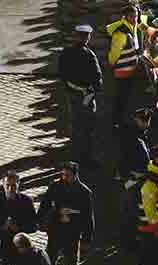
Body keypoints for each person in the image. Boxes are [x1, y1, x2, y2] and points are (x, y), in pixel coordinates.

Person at [36, 162, 94, 265]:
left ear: (75, 175)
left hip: (73, 234)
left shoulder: (84, 192)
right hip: (55, 231)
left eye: (67, 175)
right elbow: (45, 205)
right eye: (62, 175)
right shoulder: (55, 187)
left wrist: (87, 238)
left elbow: (88, 217)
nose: (64, 178)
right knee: (49, 263)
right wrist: (41, 220)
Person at [57, 24, 102, 164]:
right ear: (87, 38)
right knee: (88, 127)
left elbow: (62, 74)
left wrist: (70, 88)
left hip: (72, 94)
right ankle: (86, 157)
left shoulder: (66, 52)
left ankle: (74, 155)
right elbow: (97, 78)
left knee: (76, 125)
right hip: (87, 95)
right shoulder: (89, 55)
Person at [0, 171, 38, 265]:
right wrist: (1, 227)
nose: (10, 188)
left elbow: (34, 226)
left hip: (20, 249)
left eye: (13, 185)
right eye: (7, 185)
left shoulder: (26, 201)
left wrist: (19, 228)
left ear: (18, 184)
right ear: (3, 184)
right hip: (0, 246)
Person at [104, 4, 140, 128]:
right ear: (126, 17)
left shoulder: (132, 27)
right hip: (123, 71)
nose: (135, 18)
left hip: (129, 70)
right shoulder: (121, 33)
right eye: (132, 16)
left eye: (136, 16)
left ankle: (121, 119)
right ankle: (117, 121)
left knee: (125, 96)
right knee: (121, 97)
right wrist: (112, 65)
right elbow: (114, 54)